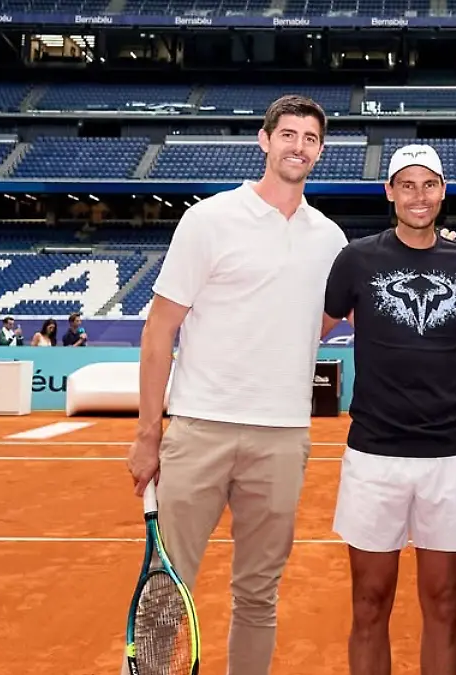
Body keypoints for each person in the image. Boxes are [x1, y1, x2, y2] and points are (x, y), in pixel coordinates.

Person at [124, 94, 349, 675]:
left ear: (320, 151)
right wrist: (149, 434)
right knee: (165, 592)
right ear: (264, 140)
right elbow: (159, 331)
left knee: (259, 596)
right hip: (200, 429)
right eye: (289, 134)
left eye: (310, 139)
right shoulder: (209, 219)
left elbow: (318, 321)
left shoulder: (331, 240)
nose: (299, 146)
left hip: (281, 439)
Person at [320, 144, 456, 675]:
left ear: (443, 192)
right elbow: (308, 332)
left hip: (448, 457)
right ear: (389, 191)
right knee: (369, 603)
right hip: (374, 456)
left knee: (444, 603)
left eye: (429, 185)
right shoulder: (357, 258)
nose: (419, 196)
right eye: (407, 185)